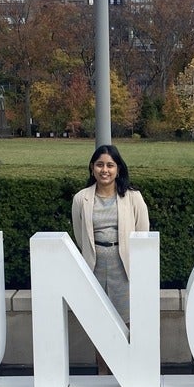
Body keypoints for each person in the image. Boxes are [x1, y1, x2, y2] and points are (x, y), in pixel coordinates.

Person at [71, 144, 150, 373]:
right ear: (92, 168)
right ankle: (102, 373)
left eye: (110, 165)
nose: (104, 170)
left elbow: (142, 232)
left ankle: (130, 373)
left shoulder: (133, 197)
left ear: (118, 169)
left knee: (128, 322)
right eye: (99, 165)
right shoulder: (81, 199)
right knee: (100, 324)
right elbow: (80, 236)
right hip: (95, 266)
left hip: (124, 266)